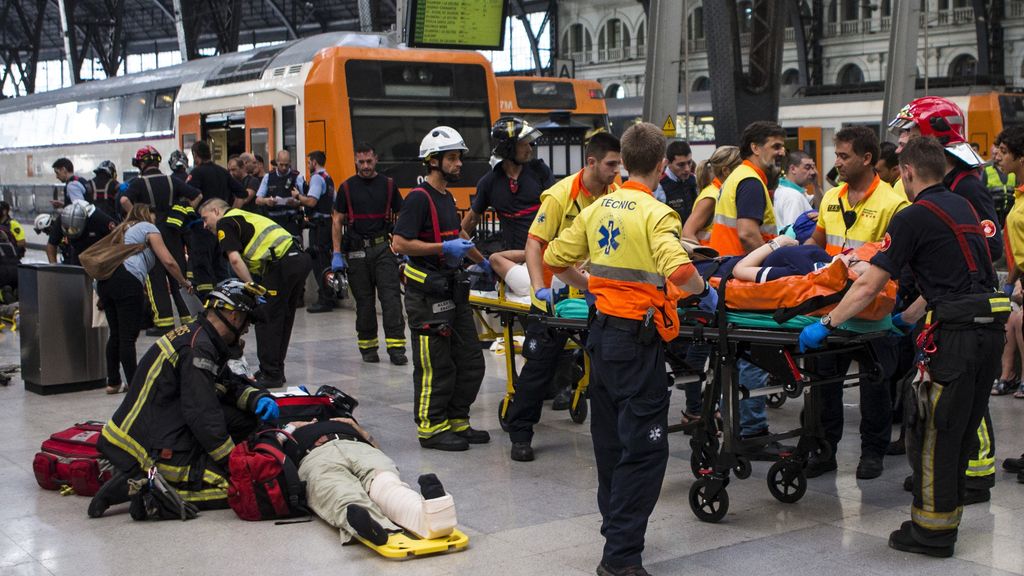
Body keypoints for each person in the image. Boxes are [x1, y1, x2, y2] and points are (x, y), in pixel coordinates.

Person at [799, 136, 1007, 558]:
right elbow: (953, 278)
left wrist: (826, 323)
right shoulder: (963, 207)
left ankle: (931, 533)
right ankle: (945, 520)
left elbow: (869, 284)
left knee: (933, 432)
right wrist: (907, 319)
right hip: (990, 330)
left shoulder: (912, 216)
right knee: (960, 431)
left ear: (907, 172)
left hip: (956, 337)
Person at [543, 122, 716, 576]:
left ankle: (615, 532)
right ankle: (620, 558)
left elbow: (554, 259)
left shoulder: (598, 207)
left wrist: (591, 288)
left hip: (601, 336)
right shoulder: (657, 213)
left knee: (610, 443)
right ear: (660, 165)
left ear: (624, 160)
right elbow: (681, 273)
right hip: (637, 344)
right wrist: (704, 292)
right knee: (644, 450)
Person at [890, 95, 1002, 499]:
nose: (901, 142)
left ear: (933, 134)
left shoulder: (966, 186)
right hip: (937, 304)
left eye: (908, 132)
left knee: (968, 395)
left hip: (964, 309)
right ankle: (945, 470)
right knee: (945, 396)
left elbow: (990, 247)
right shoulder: (942, 184)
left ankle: (977, 472)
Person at [89, 280, 278, 519]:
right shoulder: (197, 348)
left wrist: (256, 399)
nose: (246, 331)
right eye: (247, 323)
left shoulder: (200, 336)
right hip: (146, 446)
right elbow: (202, 413)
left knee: (245, 420)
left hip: (157, 426)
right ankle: (148, 493)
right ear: (234, 316)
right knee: (237, 489)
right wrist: (232, 463)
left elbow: (226, 382)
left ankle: (144, 478)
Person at [502, 131, 621, 462]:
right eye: (611, 164)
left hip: (594, 294)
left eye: (619, 165)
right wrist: (538, 288)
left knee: (604, 364)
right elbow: (534, 244)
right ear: (592, 162)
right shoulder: (560, 196)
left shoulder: (616, 194)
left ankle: (610, 436)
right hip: (553, 295)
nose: (616, 171)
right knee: (539, 367)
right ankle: (520, 433)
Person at [804, 126, 909, 479]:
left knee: (875, 386)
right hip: (830, 308)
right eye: (837, 155)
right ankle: (824, 451)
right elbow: (817, 244)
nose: (837, 162)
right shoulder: (831, 198)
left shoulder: (893, 204)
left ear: (867, 158)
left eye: (844, 156)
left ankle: (873, 453)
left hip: (872, 311)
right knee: (824, 385)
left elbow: (899, 261)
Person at [390, 126, 490, 452]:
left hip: (451, 291)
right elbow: (399, 243)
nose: (459, 164)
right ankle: (431, 428)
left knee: (470, 361)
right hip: (426, 295)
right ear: (433, 161)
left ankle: (457, 420)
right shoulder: (419, 199)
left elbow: (458, 235)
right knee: (436, 365)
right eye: (452, 158)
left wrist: (485, 263)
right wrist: (442, 249)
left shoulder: (446, 197)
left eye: (459, 158)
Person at [709, 122, 787, 451]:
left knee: (736, 357)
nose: (782, 151)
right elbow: (747, 233)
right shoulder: (752, 181)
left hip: (726, 277)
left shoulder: (737, 177)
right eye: (775, 145)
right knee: (754, 356)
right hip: (744, 281)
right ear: (755, 148)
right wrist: (774, 266)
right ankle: (752, 431)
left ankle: (734, 423)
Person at [284, 413, 458, 545]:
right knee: (340, 492)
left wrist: (358, 429)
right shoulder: (286, 431)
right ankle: (373, 527)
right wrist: (289, 429)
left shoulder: (343, 420)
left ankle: (434, 516)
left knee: (386, 484)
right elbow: (272, 459)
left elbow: (377, 448)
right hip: (316, 456)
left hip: (359, 447)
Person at [199, 199, 311, 389]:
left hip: (281, 263)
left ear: (216, 211)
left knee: (265, 317)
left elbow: (235, 260)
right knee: (282, 317)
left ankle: (271, 373)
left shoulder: (225, 222)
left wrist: (251, 287)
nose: (204, 225)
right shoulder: (243, 216)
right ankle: (275, 369)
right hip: (298, 259)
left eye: (205, 218)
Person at [97, 204, 192, 395]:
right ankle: (135, 385)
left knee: (115, 334)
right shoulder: (147, 227)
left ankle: (113, 382)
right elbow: (168, 261)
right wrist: (183, 281)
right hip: (127, 280)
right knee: (128, 337)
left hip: (105, 282)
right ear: (149, 214)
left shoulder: (121, 228)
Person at [332, 143, 407, 363]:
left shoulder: (389, 185)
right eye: (361, 162)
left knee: (391, 299)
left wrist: (402, 244)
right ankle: (368, 348)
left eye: (369, 161)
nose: (365, 166)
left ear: (376, 160)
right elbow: (337, 220)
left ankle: (396, 348)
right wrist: (336, 253)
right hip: (356, 252)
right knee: (364, 303)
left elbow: (402, 214)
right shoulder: (346, 188)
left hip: (383, 248)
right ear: (355, 162)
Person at [121, 145, 202, 334]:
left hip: (151, 234)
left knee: (156, 277)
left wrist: (137, 218)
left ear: (141, 164)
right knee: (177, 273)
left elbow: (124, 200)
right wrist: (184, 212)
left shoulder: (139, 183)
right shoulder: (172, 180)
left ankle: (164, 323)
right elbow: (197, 195)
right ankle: (189, 318)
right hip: (173, 232)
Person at [462, 117, 553, 253]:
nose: (530, 149)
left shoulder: (540, 171)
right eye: (523, 144)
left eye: (529, 144)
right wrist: (454, 247)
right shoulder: (489, 182)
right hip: (513, 256)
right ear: (507, 148)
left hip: (545, 254)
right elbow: (471, 220)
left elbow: (558, 209)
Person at [294, 150, 337, 314]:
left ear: (314, 162)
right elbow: (334, 201)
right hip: (326, 224)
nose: (308, 165)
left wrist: (298, 196)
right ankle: (329, 295)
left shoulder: (317, 178)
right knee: (325, 260)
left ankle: (325, 299)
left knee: (319, 262)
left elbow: (312, 201)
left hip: (319, 226)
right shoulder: (328, 178)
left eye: (309, 162)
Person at [683, 146, 742, 245]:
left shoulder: (722, 191)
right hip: (712, 254)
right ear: (726, 171)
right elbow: (687, 233)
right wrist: (703, 254)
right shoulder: (711, 196)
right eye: (740, 168)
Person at [46, 200, 116, 265]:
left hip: (98, 253)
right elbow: (51, 245)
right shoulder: (62, 219)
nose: (71, 231)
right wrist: (53, 266)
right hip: (75, 252)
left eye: (74, 229)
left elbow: (119, 233)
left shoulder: (99, 218)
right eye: (68, 229)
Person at [255, 150, 305, 240]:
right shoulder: (268, 177)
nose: (284, 167)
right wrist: (267, 201)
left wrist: (297, 203)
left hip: (291, 222)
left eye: (286, 165)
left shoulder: (297, 177)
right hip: (273, 222)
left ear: (290, 162)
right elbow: (258, 200)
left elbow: (306, 200)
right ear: (277, 162)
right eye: (281, 164)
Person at [657, 140, 698, 223]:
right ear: (668, 163)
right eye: (681, 165)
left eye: (689, 163)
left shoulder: (693, 179)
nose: (687, 169)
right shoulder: (659, 186)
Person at [773, 150, 815, 228]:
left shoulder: (783, 189)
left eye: (813, 167)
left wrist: (816, 185)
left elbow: (820, 206)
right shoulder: (793, 197)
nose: (813, 172)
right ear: (793, 169)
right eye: (807, 167)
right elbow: (793, 231)